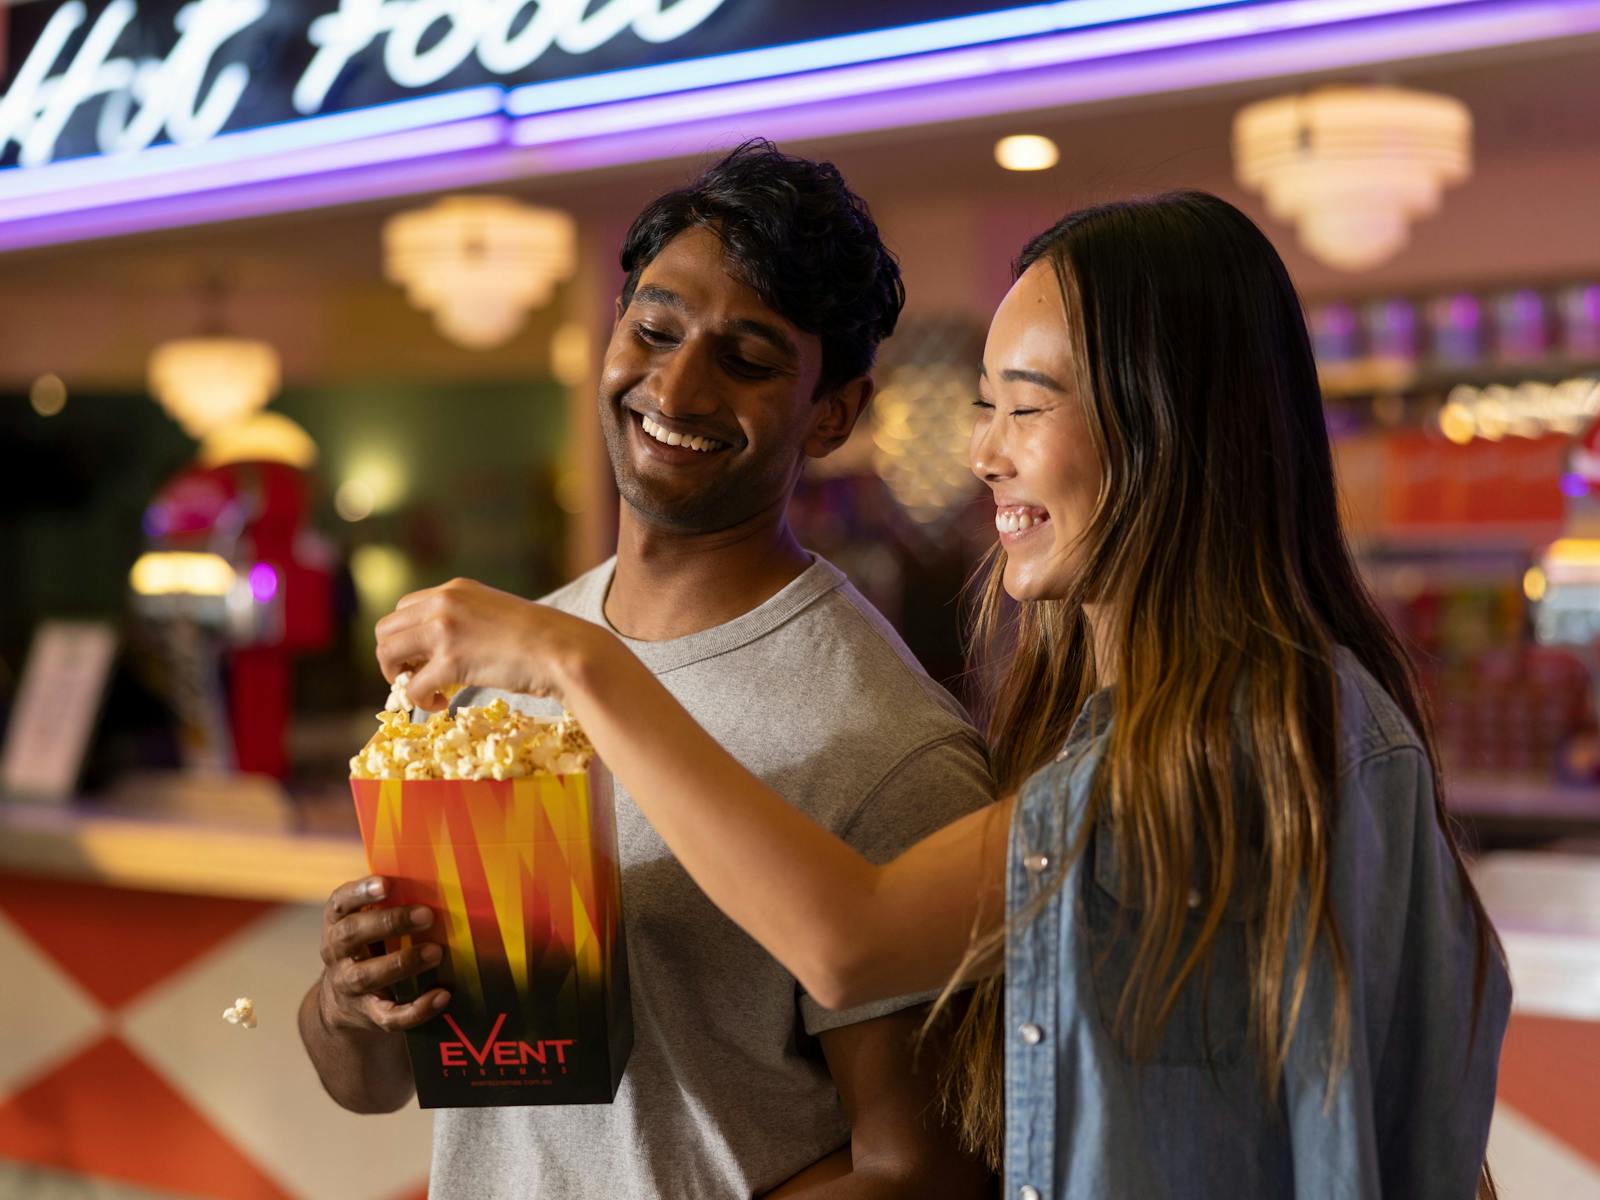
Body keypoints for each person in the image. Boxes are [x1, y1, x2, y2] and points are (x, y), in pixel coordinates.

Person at [381, 191, 1512, 1198]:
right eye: (985, 405)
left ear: (1166, 428)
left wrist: (576, 662)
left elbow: (852, 948)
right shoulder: (1155, 730)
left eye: (1026, 408)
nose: (982, 453)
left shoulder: (1257, 730)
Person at [302, 141, 998, 1199]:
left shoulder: (891, 749)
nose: (676, 385)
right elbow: (374, 1082)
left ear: (832, 414)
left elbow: (928, 1175)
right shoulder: (499, 664)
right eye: (655, 330)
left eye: (748, 359)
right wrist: (353, 1004)